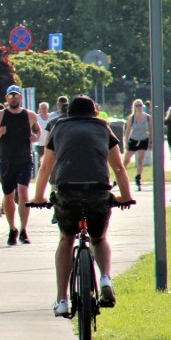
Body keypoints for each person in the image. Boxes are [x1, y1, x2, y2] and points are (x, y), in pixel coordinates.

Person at [31, 95, 133, 316]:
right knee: (99, 238)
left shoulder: (59, 127)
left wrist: (38, 198)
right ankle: (105, 276)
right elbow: (118, 168)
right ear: (94, 113)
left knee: (66, 239)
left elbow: (46, 167)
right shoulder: (103, 127)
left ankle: (61, 300)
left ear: (69, 113)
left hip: (67, 191)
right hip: (98, 190)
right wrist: (125, 196)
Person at [0, 85, 41, 245]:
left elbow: (38, 130)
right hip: (6, 161)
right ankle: (12, 229)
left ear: (21, 98)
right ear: (6, 98)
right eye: (10, 96)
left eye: (16, 96)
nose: (13, 99)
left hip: (24, 160)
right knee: (8, 195)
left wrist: (35, 137)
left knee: (23, 192)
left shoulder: (29, 115)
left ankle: (23, 229)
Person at [123, 99, 152, 192]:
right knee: (126, 160)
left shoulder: (147, 117)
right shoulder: (132, 118)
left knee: (140, 160)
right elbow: (128, 130)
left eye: (140, 105)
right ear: (134, 107)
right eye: (137, 106)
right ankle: (120, 176)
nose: (139, 107)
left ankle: (138, 177)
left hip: (143, 139)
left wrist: (150, 141)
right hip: (134, 139)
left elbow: (150, 130)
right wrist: (126, 141)